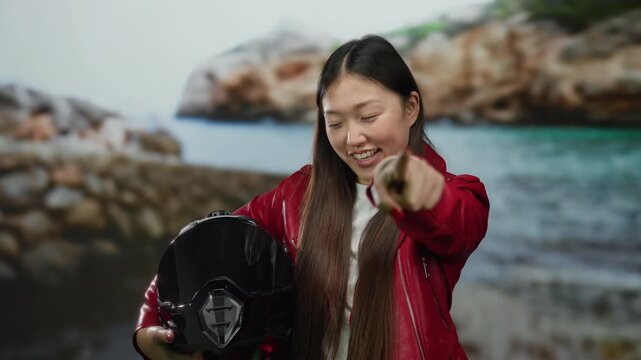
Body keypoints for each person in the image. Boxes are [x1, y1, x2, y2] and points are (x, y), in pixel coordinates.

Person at [134, 34, 489, 360]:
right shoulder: (293, 197)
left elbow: (457, 225)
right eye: (335, 123)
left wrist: (419, 196)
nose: (353, 139)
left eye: (368, 116)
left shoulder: (460, 193)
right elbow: (202, 247)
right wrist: (149, 328)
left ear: (410, 108)